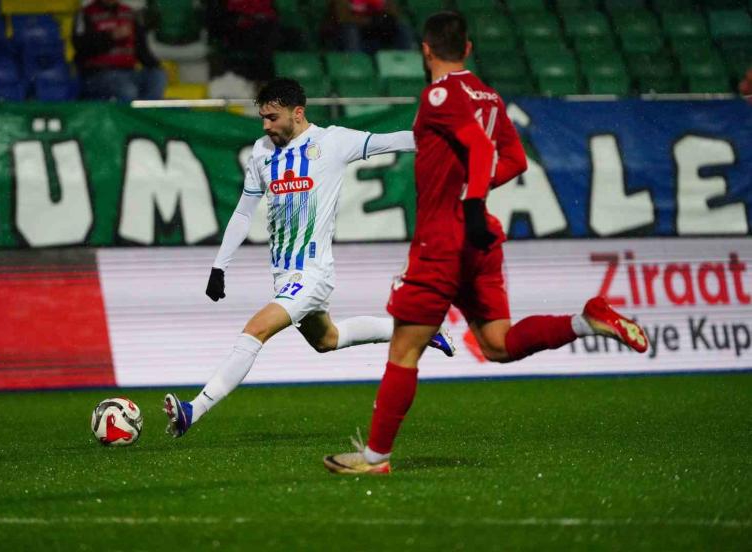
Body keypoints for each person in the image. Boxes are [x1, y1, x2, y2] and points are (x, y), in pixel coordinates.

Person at [323, 12, 649, 475]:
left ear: (426, 51)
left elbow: (477, 147)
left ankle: (376, 458)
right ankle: (585, 320)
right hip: (480, 240)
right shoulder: (490, 97)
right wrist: (474, 197)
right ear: (469, 49)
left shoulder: (439, 95)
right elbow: (515, 160)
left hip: (443, 239)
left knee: (404, 350)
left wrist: (470, 201)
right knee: (497, 343)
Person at [162, 78, 456, 438]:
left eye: (272, 117)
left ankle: (194, 409)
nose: (265, 125)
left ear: (297, 113)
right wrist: (219, 266)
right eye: (262, 117)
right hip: (284, 275)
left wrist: (449, 140)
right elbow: (243, 212)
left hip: (312, 273)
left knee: (255, 330)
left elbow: (391, 140)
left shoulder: (332, 142)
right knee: (327, 339)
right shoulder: (261, 152)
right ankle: (424, 330)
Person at [73, 0, 167, 102]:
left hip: (129, 72)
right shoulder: (85, 13)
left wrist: (156, 66)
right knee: (128, 90)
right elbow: (81, 47)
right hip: (98, 74)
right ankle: (131, 111)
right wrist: (110, 37)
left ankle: (147, 110)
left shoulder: (129, 13)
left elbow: (141, 49)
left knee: (157, 76)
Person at [326, 0, 414, 54]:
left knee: (402, 28)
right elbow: (343, 18)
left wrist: (383, 19)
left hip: (375, 34)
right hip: (349, 36)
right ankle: (356, 65)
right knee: (350, 30)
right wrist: (370, 20)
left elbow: (394, 15)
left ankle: (407, 62)